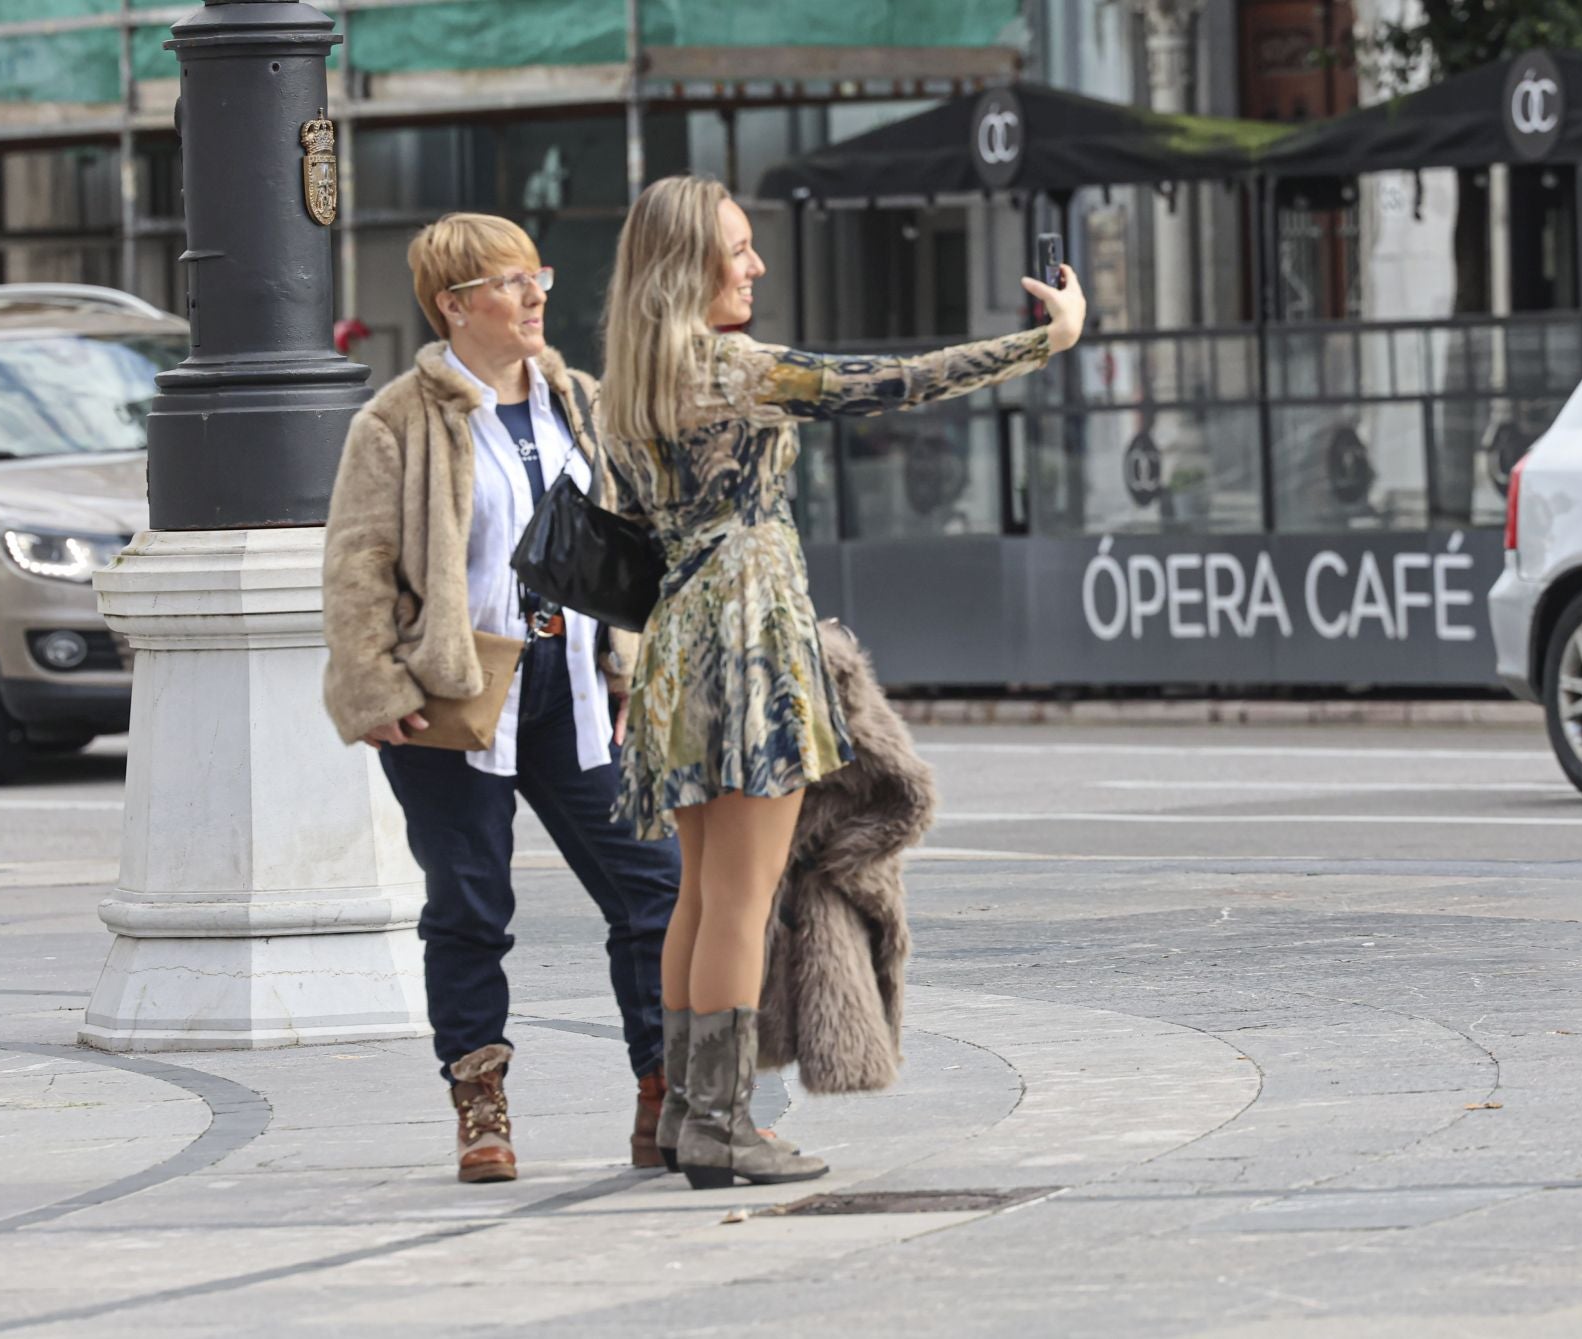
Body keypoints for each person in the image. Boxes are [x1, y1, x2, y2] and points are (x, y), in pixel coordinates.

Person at [600, 175, 1086, 1189]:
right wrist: (1044, 340)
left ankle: (692, 1114)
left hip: (678, 643)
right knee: (742, 897)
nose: (756, 264)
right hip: (747, 641)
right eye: (737, 248)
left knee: (699, 894)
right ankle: (723, 1123)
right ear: (688, 263)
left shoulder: (628, 382)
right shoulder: (729, 367)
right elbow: (888, 382)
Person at [321, 212, 681, 1184]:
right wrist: (374, 685)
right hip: (454, 699)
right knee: (471, 906)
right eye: (511, 282)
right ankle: (481, 1105)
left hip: (572, 687)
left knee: (653, 886)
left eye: (539, 279)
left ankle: (663, 1093)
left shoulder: (581, 403)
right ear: (454, 304)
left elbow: (625, 534)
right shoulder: (397, 420)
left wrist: (634, 658)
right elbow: (356, 569)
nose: (534, 298)